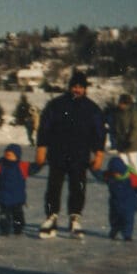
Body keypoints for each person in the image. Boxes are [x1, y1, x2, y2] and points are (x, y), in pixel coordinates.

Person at [34, 72, 105, 239]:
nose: (77, 90)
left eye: (81, 87)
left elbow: (99, 132)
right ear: (69, 87)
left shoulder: (92, 108)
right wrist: (41, 148)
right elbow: (45, 127)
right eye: (75, 86)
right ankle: (51, 218)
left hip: (80, 156)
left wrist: (99, 154)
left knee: (78, 187)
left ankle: (75, 218)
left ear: (85, 88)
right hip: (57, 153)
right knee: (53, 187)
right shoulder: (56, 105)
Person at [0, 143, 38, 236]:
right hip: (3, 196)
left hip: (17, 197)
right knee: (4, 215)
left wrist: (41, 161)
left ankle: (18, 228)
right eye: (6, 153)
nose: (8, 156)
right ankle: (5, 229)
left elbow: (34, 167)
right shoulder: (0, 166)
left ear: (17, 156)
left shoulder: (22, 166)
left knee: (18, 215)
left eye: (11, 154)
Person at [102, 155, 137, 241]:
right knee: (114, 217)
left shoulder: (131, 176)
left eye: (117, 172)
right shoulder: (109, 175)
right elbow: (100, 175)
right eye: (114, 173)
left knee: (128, 219)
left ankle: (127, 234)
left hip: (129, 203)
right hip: (115, 203)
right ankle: (115, 229)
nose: (116, 174)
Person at [112, 94, 137, 174]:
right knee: (122, 161)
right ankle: (126, 177)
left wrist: (130, 140)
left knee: (133, 161)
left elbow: (135, 128)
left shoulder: (133, 113)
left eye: (122, 103)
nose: (120, 105)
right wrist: (115, 136)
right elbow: (115, 126)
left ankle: (136, 178)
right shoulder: (117, 112)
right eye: (120, 103)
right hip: (121, 141)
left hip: (132, 143)